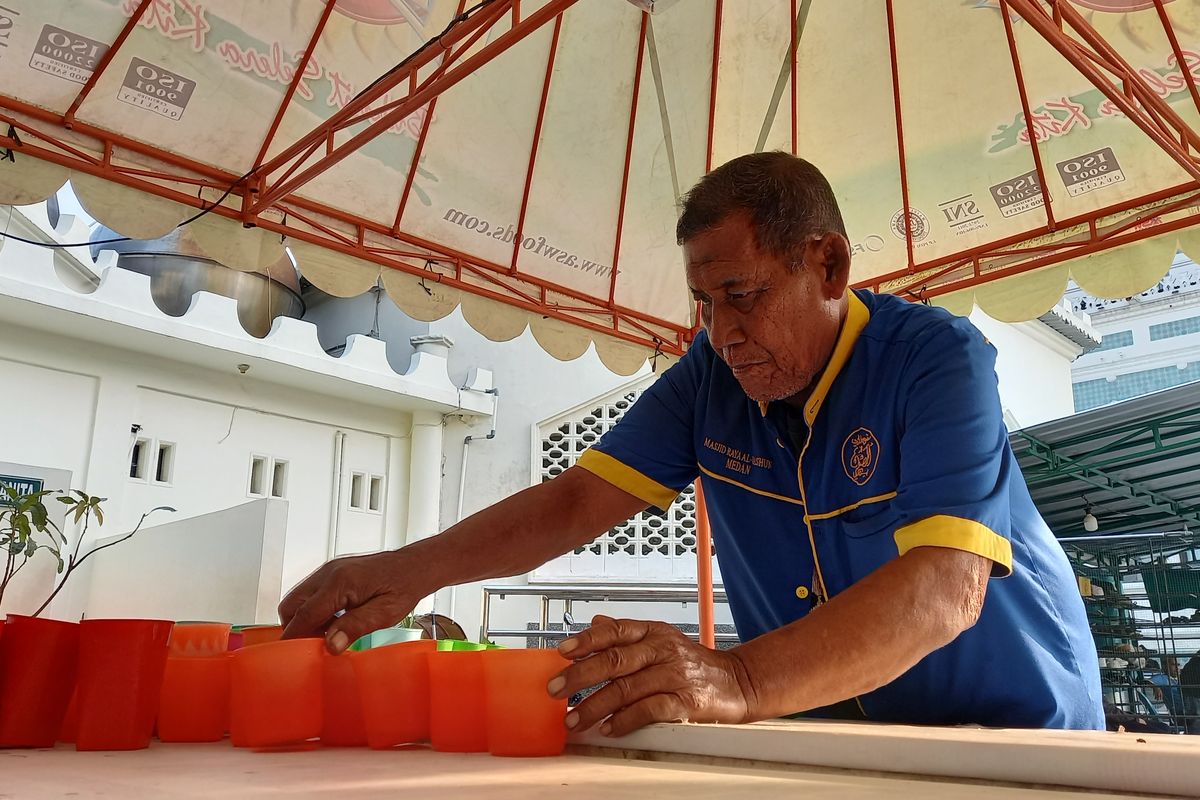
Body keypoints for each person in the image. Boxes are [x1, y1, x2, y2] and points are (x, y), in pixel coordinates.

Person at [279, 152, 1105, 733]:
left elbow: (942, 591)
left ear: (829, 265)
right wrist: (399, 573)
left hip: (1020, 736)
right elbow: (575, 500)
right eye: (704, 303)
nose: (722, 331)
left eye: (741, 294)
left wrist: (735, 677)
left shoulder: (937, 359)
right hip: (841, 738)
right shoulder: (710, 374)